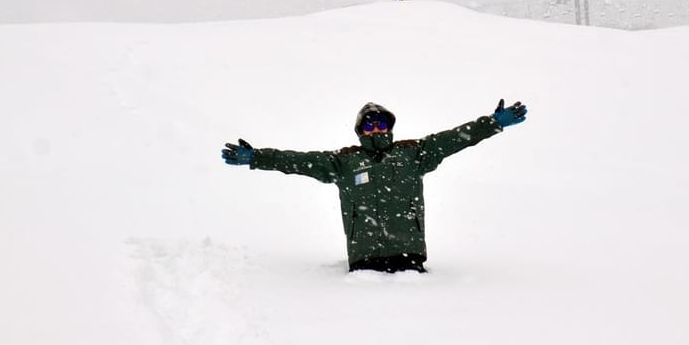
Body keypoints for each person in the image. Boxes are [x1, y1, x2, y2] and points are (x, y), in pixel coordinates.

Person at [221, 99, 528, 273]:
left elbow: (455, 138)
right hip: (364, 261)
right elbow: (297, 161)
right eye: (370, 124)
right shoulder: (344, 161)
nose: (377, 128)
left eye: (382, 123)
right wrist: (256, 157)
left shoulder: (414, 153)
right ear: (360, 130)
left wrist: (492, 122)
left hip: (410, 259)